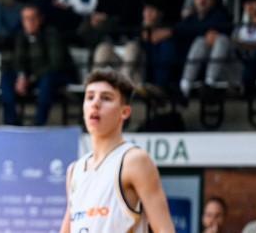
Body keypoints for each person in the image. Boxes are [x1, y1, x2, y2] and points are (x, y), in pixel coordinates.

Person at [59, 69, 174, 233]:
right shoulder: (74, 171)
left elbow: (165, 230)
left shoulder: (134, 161)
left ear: (125, 112)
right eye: (90, 97)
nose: (95, 103)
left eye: (106, 98)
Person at [1, 5, 74, 126]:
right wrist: (21, 76)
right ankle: (11, 123)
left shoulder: (51, 34)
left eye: (32, 18)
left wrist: (30, 78)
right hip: (31, 77)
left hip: (55, 75)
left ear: (40, 19)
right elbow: (18, 60)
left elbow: (56, 64)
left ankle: (39, 123)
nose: (29, 22)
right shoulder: (20, 35)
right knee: (6, 78)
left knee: (48, 80)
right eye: (25, 19)